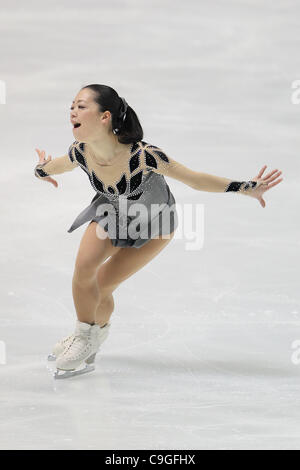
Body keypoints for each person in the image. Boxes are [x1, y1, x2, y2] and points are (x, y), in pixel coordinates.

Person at [34, 84, 283, 378]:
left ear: (105, 117)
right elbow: (56, 166)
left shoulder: (144, 156)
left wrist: (245, 188)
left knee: (101, 287)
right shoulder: (80, 152)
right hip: (111, 213)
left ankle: (93, 336)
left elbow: (195, 179)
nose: (72, 111)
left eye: (81, 106)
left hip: (153, 225)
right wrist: (41, 171)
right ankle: (84, 334)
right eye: (72, 106)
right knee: (83, 270)